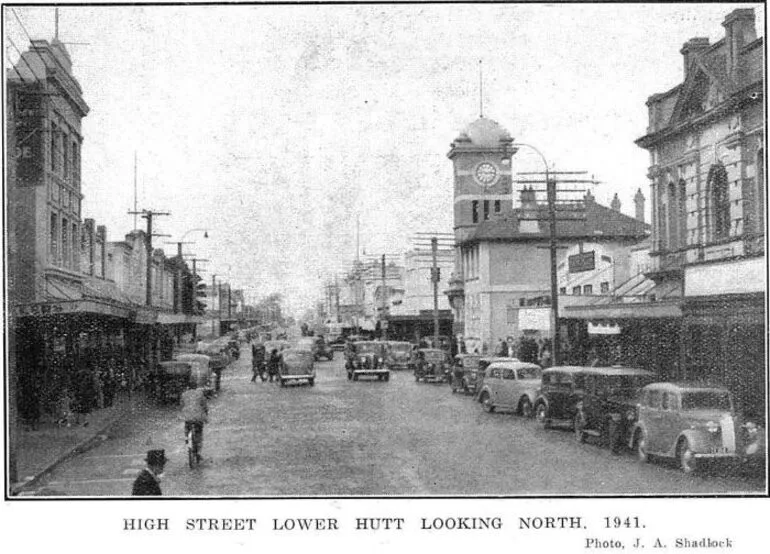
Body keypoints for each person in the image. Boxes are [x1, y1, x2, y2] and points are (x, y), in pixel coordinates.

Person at [181, 382, 209, 463]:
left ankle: (187, 438)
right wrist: (206, 413)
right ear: (196, 387)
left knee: (187, 427)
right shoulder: (200, 394)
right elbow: (205, 406)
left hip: (188, 417)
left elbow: (181, 405)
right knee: (199, 433)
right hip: (198, 418)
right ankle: (198, 449)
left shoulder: (184, 394)